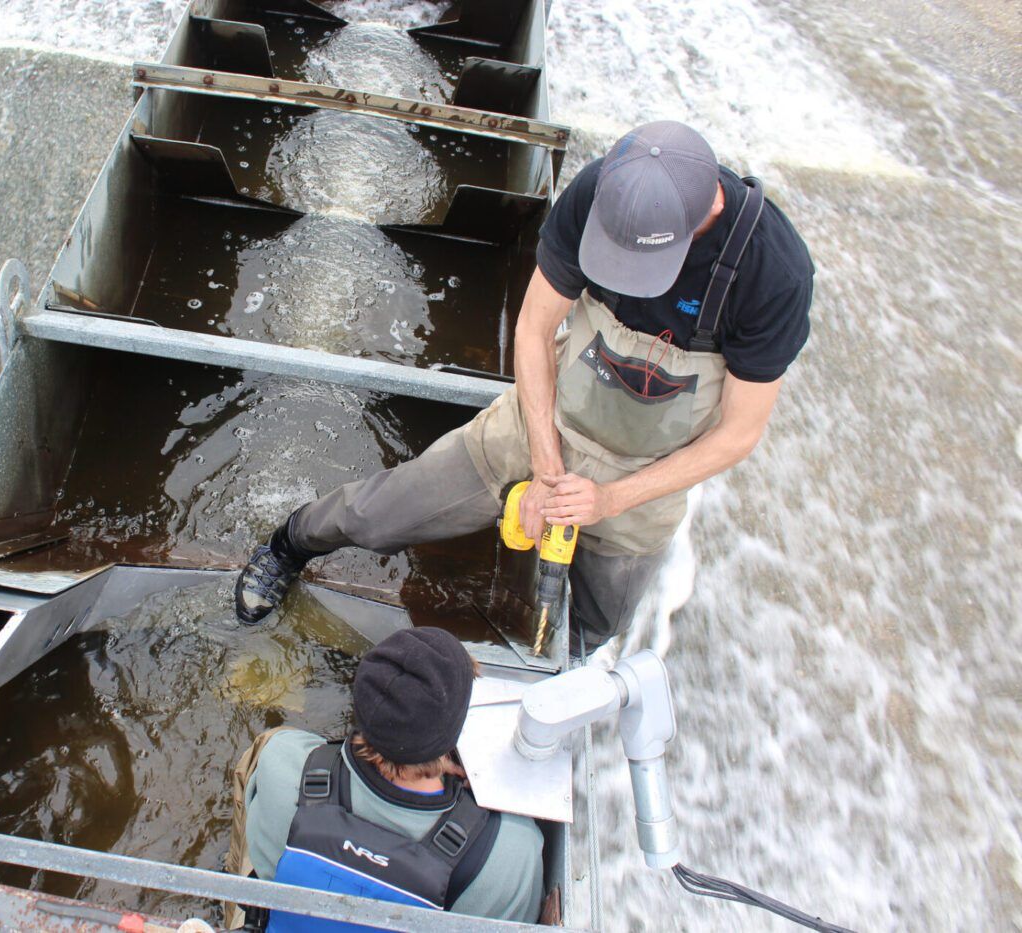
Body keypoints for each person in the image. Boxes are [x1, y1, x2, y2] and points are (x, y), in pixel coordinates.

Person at [235, 121, 814, 647]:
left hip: (646, 474)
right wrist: (545, 465)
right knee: (378, 514)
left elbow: (738, 433)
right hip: (551, 413)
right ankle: (289, 543)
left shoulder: (772, 274)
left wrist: (608, 499)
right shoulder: (599, 192)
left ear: (701, 214)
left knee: (595, 627)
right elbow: (536, 328)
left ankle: (553, 686)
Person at [225, 627, 544, 929]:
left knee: (266, 745)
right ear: (455, 733)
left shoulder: (284, 764)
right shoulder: (511, 852)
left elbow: (268, 866)